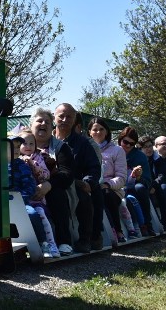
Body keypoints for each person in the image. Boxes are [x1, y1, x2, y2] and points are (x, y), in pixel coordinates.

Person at [54, 103, 102, 253]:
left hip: (76, 183)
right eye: (61, 116)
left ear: (75, 120)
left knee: (84, 196)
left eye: (69, 116)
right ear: (54, 117)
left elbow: (94, 167)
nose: (64, 119)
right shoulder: (46, 140)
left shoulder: (82, 143)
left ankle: (85, 239)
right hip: (53, 183)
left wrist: (88, 182)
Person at [8, 129, 60, 258]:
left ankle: (43, 243)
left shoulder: (23, 166)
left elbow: (30, 186)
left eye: (17, 147)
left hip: (21, 202)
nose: (15, 150)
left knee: (33, 213)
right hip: (4, 202)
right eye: (11, 147)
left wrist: (21, 198)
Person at [30, 106, 75, 256]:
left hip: (53, 187)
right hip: (25, 185)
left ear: (52, 127)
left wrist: (48, 185)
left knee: (57, 194)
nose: (43, 124)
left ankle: (64, 241)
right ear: (31, 125)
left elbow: (66, 174)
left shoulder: (61, 148)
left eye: (47, 122)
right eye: (39, 121)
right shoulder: (20, 142)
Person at [88, 117, 133, 243]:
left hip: (112, 189)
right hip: (90, 185)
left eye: (101, 129)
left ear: (107, 131)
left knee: (105, 194)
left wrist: (107, 184)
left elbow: (122, 177)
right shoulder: (86, 149)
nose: (98, 132)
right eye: (94, 129)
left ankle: (117, 230)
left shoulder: (117, 150)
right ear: (89, 132)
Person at [120, 126, 154, 236]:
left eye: (132, 143)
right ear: (120, 140)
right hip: (117, 185)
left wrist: (138, 177)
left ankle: (147, 224)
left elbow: (147, 179)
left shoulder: (140, 156)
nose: (128, 145)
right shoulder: (114, 152)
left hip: (134, 185)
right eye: (126, 142)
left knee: (140, 188)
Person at [139, 135, 166, 231]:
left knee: (164, 188)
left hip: (157, 185)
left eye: (149, 146)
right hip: (145, 185)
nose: (148, 149)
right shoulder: (139, 160)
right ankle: (150, 224)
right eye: (145, 147)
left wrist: (154, 186)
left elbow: (162, 175)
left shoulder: (158, 159)